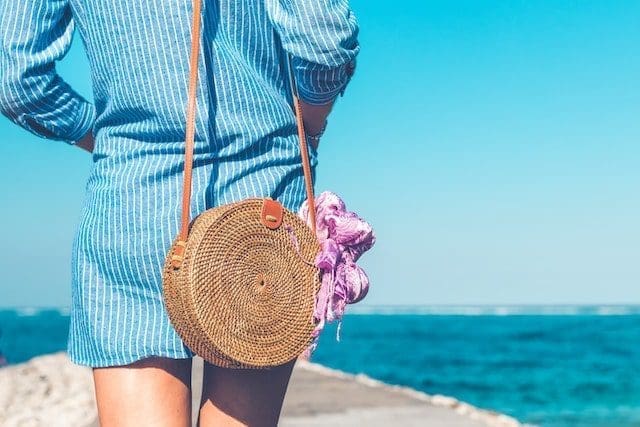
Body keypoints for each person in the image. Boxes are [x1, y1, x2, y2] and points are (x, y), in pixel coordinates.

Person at [0, 1, 359, 425]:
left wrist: (107, 138)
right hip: (261, 195)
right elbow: (325, 38)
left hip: (133, 199)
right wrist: (310, 124)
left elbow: (17, 80)